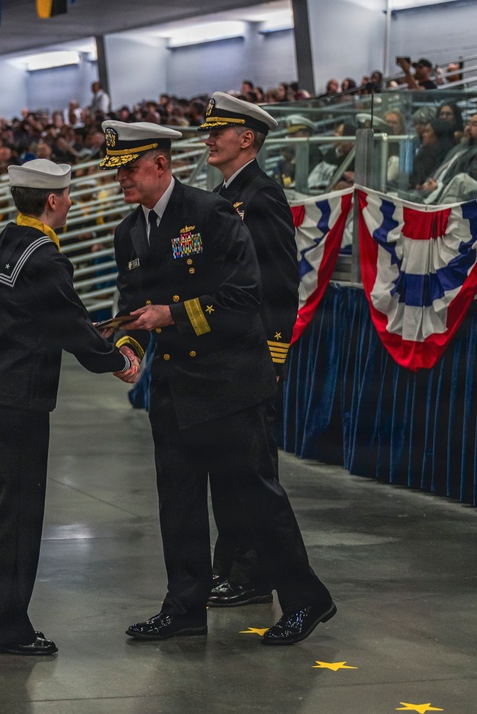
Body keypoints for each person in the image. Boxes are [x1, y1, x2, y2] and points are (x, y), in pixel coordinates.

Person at [102, 121, 334, 645]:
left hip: (228, 381)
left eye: (131, 170)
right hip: (174, 387)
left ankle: (305, 599)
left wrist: (172, 314)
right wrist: (127, 349)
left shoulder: (211, 213)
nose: (123, 181)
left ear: (160, 165)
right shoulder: (129, 231)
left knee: (257, 499)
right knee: (177, 503)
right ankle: (184, 606)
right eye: (117, 173)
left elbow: (244, 298)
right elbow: (133, 309)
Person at [0, 159, 138, 656]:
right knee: (17, 517)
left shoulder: (7, 241)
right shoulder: (43, 256)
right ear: (53, 201)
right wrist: (116, 359)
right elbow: (70, 325)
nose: (70, 203)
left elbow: (48, 317)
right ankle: (5, 629)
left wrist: (92, 334)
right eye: (67, 196)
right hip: (15, 401)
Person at [199, 93, 301, 609]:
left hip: (253, 355)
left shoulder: (261, 196)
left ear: (247, 139)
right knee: (227, 468)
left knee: (249, 471)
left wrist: (274, 352)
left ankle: (254, 573)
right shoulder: (223, 196)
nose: (208, 138)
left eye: (219, 131)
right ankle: (233, 566)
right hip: (225, 352)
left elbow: (281, 284)